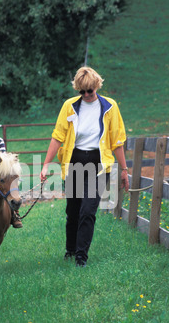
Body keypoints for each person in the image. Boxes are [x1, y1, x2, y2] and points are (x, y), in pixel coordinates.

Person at [40, 67, 129, 267]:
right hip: (75, 162)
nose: (87, 95)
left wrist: (124, 170)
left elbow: (117, 141)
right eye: (82, 91)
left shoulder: (110, 107)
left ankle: (81, 257)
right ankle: (70, 250)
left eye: (90, 90)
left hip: (98, 164)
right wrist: (46, 164)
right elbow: (57, 136)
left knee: (88, 210)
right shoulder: (69, 106)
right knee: (73, 211)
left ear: (96, 86)